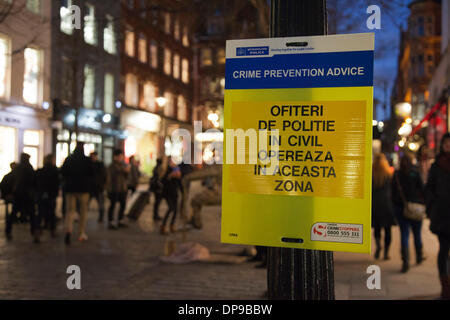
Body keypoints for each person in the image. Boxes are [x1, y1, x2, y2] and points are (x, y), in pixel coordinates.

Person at [392, 153, 426, 273]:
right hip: (415, 208)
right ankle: (419, 256)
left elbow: (392, 193)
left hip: (401, 208)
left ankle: (405, 260)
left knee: (404, 234)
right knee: (417, 234)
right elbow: (422, 189)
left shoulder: (397, 174)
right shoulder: (415, 173)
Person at [426, 133, 450, 299]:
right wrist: (433, 206)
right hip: (442, 215)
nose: (448, 145)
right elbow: (429, 189)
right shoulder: (436, 166)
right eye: (446, 143)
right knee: (443, 250)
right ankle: (445, 284)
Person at [61, 142, 93, 245]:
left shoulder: (69, 159)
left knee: (70, 211)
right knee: (83, 211)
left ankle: (69, 230)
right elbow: (91, 173)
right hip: (83, 189)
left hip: (70, 188)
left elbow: (63, 172)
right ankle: (81, 233)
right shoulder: (87, 160)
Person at [372, 153, 396, 260]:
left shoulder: (371, 174)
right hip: (386, 204)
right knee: (388, 230)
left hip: (375, 204)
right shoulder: (388, 173)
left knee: (377, 228)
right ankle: (386, 252)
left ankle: (378, 246)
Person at [11, 153, 39, 243]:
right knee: (32, 214)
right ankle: (34, 232)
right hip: (27, 194)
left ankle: (8, 229)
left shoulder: (18, 168)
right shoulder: (29, 168)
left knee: (14, 212)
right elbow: (34, 181)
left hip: (19, 194)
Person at [36, 155, 60, 238]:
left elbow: (36, 183)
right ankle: (52, 230)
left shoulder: (40, 171)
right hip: (51, 194)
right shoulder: (55, 171)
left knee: (40, 213)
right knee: (51, 213)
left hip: (41, 194)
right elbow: (57, 183)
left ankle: (38, 231)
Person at [107, 149, 130, 230]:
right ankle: (111, 221)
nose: (121, 158)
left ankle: (120, 220)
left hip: (122, 189)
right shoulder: (112, 166)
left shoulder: (122, 165)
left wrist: (126, 171)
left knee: (123, 205)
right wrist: (108, 190)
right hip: (114, 189)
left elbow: (126, 177)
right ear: (115, 157)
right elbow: (109, 179)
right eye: (119, 156)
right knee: (113, 205)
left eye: (121, 156)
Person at [160, 157, 181, 235]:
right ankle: (163, 226)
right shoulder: (166, 170)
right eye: (171, 161)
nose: (173, 163)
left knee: (175, 210)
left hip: (175, 192)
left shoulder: (176, 169)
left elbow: (179, 181)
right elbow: (162, 180)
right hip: (168, 193)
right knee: (170, 208)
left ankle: (172, 225)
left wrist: (178, 176)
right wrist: (170, 176)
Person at [90, 152, 107, 223]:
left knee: (101, 204)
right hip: (90, 188)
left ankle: (101, 217)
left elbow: (104, 175)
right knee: (84, 204)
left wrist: (103, 185)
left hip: (98, 188)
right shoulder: (89, 165)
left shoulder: (100, 164)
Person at [1, 162, 17, 240]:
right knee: (10, 214)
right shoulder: (10, 176)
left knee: (10, 215)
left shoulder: (7, 176)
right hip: (13, 198)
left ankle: (8, 230)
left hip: (11, 197)